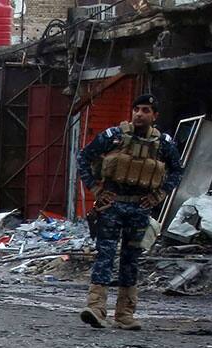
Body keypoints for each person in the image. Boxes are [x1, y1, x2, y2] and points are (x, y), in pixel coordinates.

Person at [77, 94, 183, 331]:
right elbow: (84, 157)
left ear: (154, 116)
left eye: (146, 110)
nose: (139, 114)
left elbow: (177, 170)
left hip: (139, 208)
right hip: (112, 205)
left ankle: (125, 314)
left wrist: (160, 195)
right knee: (105, 255)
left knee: (131, 259)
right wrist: (96, 189)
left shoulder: (163, 143)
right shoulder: (113, 137)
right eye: (136, 109)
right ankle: (96, 308)